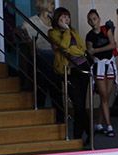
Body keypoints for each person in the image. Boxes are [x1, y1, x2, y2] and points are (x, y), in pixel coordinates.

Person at [47, 7, 90, 140]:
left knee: (81, 103)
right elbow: (65, 46)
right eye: (63, 17)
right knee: (77, 103)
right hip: (68, 70)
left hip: (82, 66)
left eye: (68, 17)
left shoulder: (73, 31)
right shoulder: (53, 32)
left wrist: (70, 48)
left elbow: (82, 49)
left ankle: (81, 135)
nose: (66, 19)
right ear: (57, 19)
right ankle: (86, 133)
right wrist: (66, 32)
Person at [85, 10, 118, 137]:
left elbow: (113, 45)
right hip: (98, 65)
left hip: (109, 63)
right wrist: (95, 51)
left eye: (94, 18)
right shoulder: (89, 36)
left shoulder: (106, 29)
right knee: (103, 96)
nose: (93, 21)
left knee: (106, 97)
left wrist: (97, 49)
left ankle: (98, 124)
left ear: (99, 19)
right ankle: (109, 125)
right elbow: (89, 52)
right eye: (90, 19)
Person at [21, 0, 55, 110]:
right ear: (44, 4)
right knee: (43, 78)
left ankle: (59, 113)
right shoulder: (32, 22)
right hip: (40, 56)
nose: (53, 5)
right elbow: (24, 33)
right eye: (51, 3)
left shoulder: (54, 22)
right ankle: (40, 108)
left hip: (55, 57)